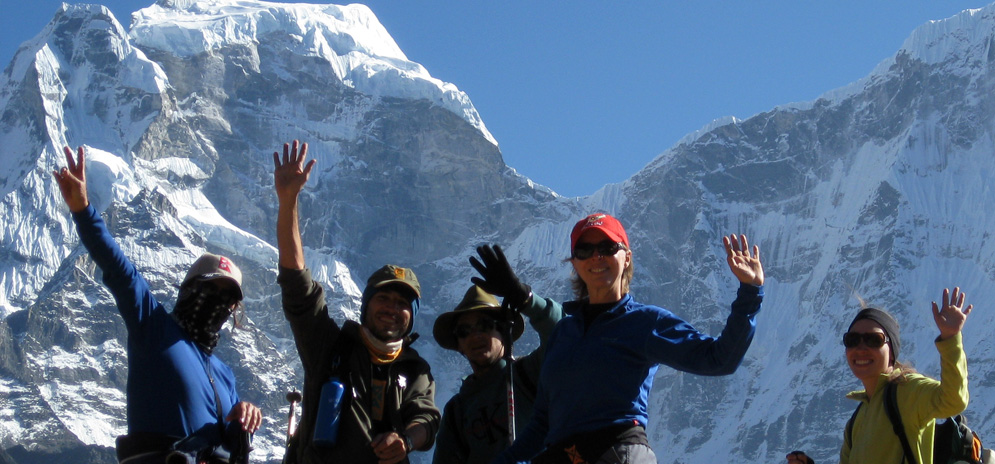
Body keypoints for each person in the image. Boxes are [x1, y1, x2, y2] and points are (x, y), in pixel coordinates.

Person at [491, 212, 765, 464]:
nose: (596, 257)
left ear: (627, 257)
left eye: (608, 248)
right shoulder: (564, 331)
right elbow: (542, 421)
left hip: (618, 451)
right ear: (574, 263)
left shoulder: (646, 322)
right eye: (585, 250)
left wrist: (750, 292)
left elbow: (718, 359)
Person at [52, 146, 262, 463]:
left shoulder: (225, 375)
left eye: (227, 299)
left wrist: (241, 416)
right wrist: (83, 210)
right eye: (210, 290)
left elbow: (226, 439)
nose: (218, 303)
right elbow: (119, 270)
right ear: (188, 289)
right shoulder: (152, 326)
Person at [273, 140, 440, 464]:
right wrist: (288, 200)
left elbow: (427, 419)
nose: (392, 308)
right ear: (366, 306)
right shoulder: (329, 347)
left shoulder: (415, 368)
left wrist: (406, 440)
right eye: (384, 298)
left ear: (412, 316)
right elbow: (297, 286)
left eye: (402, 303)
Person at [432, 245, 564, 464]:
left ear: (505, 332)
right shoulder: (458, 410)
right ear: (459, 346)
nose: (475, 336)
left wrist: (525, 297)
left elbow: (564, 334)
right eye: (464, 331)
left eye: (485, 325)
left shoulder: (529, 374)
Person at [839, 287, 972, 464]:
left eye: (873, 340)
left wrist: (950, 337)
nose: (861, 348)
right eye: (852, 340)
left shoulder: (907, 391)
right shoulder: (856, 420)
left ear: (892, 352)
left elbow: (953, 400)